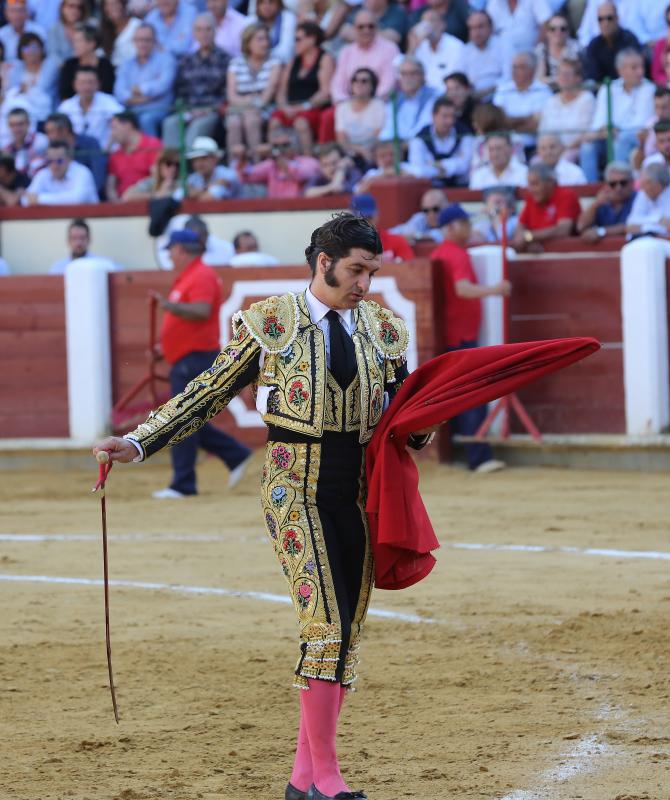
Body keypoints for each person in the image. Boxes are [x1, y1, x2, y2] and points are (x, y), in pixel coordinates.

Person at [94, 213, 440, 800]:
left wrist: (422, 426)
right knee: (325, 623)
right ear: (323, 261)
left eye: (372, 272)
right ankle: (328, 781)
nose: (365, 284)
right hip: (294, 489)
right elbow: (209, 390)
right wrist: (137, 441)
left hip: (357, 491)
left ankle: (302, 779)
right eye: (356, 270)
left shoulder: (383, 328)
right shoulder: (269, 322)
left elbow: (405, 414)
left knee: (346, 632)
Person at [124, 228, 253, 498]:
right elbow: (187, 320)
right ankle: (234, 454)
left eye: (171, 250)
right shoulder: (190, 276)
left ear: (181, 250)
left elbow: (201, 311)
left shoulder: (201, 275)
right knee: (187, 417)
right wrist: (165, 347)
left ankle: (183, 483)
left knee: (180, 418)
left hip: (194, 358)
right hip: (186, 356)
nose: (170, 255)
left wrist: (167, 307)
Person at [430, 203, 509, 472]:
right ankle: (479, 457)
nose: (469, 228)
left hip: (453, 334)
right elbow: (463, 289)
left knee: (461, 394)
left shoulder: (443, 252)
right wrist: (496, 289)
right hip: (462, 336)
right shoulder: (456, 255)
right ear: (451, 227)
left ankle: (468, 452)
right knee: (473, 393)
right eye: (464, 223)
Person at [581, 48, 656, 182]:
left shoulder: (649, 89)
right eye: (634, 68)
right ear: (621, 70)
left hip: (633, 138)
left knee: (621, 140)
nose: (640, 72)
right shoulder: (608, 88)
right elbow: (598, 122)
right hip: (608, 135)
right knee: (587, 147)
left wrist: (616, 130)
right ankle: (590, 188)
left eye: (641, 67)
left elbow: (641, 124)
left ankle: (617, 183)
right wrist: (605, 130)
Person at [161, 13, 231, 151]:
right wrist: (187, 110)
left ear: (215, 31)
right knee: (170, 124)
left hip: (212, 112)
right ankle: (172, 167)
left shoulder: (225, 60)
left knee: (196, 128)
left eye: (208, 29)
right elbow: (179, 91)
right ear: (194, 33)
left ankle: (188, 169)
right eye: (199, 29)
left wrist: (208, 110)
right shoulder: (186, 61)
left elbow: (227, 94)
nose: (203, 33)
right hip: (188, 110)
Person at [270, 21, 335, 155]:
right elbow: (282, 90)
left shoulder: (325, 58)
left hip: (313, 108)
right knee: (274, 121)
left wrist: (303, 106)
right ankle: (276, 162)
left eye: (298, 39)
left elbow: (325, 91)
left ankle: (308, 160)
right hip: (291, 108)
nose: (295, 43)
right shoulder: (294, 61)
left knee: (301, 123)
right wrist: (284, 107)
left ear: (312, 39)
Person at [225, 23, 283, 156]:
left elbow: (266, 97)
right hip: (239, 109)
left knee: (251, 119)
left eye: (266, 39)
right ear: (248, 42)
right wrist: (251, 101)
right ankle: (235, 166)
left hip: (266, 109)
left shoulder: (275, 62)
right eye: (260, 39)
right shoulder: (236, 63)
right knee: (234, 123)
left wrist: (248, 101)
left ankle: (256, 166)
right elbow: (231, 96)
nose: (265, 43)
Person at [113, 22, 176, 137]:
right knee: (116, 120)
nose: (143, 44)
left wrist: (139, 89)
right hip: (132, 109)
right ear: (134, 41)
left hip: (158, 109)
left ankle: (153, 154)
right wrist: (143, 98)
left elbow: (163, 85)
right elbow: (119, 92)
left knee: (145, 119)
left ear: (154, 41)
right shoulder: (127, 64)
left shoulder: (166, 59)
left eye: (147, 40)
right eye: (139, 40)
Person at [329, 9, 399, 104]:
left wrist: (369, 104)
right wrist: (345, 103)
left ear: (377, 27)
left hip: (380, 104)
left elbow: (389, 84)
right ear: (354, 28)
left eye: (370, 26)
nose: (366, 30)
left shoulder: (390, 49)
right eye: (361, 27)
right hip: (349, 104)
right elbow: (338, 84)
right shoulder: (346, 51)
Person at [492, 51, 552, 157]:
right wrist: (527, 119)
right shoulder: (503, 89)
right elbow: (497, 121)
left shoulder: (543, 91)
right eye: (514, 67)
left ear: (532, 70)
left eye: (521, 67)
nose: (515, 71)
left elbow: (537, 125)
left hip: (534, 148)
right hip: (505, 148)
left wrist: (510, 122)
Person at [512, 163, 581, 253]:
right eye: (529, 185)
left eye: (535, 184)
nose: (531, 189)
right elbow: (520, 228)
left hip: (566, 256)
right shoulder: (532, 198)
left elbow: (563, 230)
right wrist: (529, 242)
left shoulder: (566, 195)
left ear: (550, 182)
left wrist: (530, 237)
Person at [406, 96, 473, 187]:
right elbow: (418, 170)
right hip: (430, 188)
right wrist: (451, 165)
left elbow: (464, 166)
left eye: (452, 116)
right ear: (433, 116)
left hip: (461, 186)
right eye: (445, 116)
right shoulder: (420, 137)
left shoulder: (464, 133)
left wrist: (434, 164)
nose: (450, 121)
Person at [537, 58, 595, 161]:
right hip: (550, 150)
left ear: (578, 78)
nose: (563, 78)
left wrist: (565, 148)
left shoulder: (587, 99)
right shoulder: (550, 101)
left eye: (567, 74)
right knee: (536, 163)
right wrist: (549, 149)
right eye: (560, 74)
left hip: (575, 148)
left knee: (565, 159)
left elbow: (585, 132)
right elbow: (542, 132)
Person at [238, 131, 320, 198]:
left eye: (285, 145)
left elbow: (304, 174)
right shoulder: (270, 164)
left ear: (295, 146)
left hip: (301, 209)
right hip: (275, 211)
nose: (281, 149)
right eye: (276, 146)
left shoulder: (308, 161)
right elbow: (246, 175)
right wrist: (247, 155)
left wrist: (277, 157)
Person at [58, 66, 124, 150]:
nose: (87, 87)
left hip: (101, 153)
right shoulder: (66, 107)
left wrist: (108, 148)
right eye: (82, 82)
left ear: (98, 84)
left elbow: (123, 123)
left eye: (90, 82)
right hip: (74, 155)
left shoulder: (108, 102)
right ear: (75, 85)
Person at [43, 111, 107, 198]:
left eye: (50, 132)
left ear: (64, 130)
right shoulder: (51, 150)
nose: (48, 137)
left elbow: (98, 178)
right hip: (60, 199)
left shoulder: (90, 144)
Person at [377, 56, 438, 143]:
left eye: (413, 73)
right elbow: (388, 128)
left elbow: (424, 128)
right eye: (404, 74)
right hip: (395, 149)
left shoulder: (434, 97)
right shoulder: (395, 99)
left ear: (423, 75)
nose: (408, 78)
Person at [21, 139, 98, 205]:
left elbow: (78, 198)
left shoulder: (82, 172)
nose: (54, 165)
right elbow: (25, 200)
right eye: (50, 161)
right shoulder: (43, 174)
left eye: (59, 161)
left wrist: (40, 199)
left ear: (70, 158)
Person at [335, 67, 385, 166]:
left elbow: (378, 136)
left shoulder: (379, 106)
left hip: (372, 150)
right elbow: (341, 139)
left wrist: (364, 150)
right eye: (355, 80)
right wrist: (359, 150)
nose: (359, 84)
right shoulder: (342, 107)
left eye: (364, 81)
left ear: (372, 86)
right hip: (349, 150)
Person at [106, 110, 161, 200]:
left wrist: (135, 196)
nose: (112, 134)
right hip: (122, 206)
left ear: (127, 125)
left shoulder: (152, 145)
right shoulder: (116, 154)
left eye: (114, 128)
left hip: (147, 202)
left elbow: (157, 178)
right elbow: (110, 187)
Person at [577, 160, 636, 241]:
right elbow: (581, 227)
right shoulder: (602, 202)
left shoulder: (638, 199)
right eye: (613, 184)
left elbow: (633, 226)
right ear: (606, 185)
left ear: (631, 183)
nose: (618, 188)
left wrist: (601, 231)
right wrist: (595, 205)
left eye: (623, 183)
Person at [583, 2, 641, 84]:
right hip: (603, 91)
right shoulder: (594, 45)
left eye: (609, 18)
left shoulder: (629, 40)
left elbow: (635, 71)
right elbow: (593, 76)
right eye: (601, 19)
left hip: (629, 88)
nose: (605, 23)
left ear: (617, 18)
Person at [409, 8, 463, 92]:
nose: (427, 25)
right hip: (423, 96)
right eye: (424, 22)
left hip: (446, 96)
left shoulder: (456, 46)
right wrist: (413, 46)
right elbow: (404, 71)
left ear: (443, 25)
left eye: (432, 21)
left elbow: (456, 79)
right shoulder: (420, 46)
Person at [350, 192, 414, 262]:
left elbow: (410, 266)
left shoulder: (396, 241)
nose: (366, 222)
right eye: (360, 218)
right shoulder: (345, 246)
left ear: (377, 216)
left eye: (369, 217)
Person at [58, 23, 116, 100]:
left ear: (92, 43)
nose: (74, 45)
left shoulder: (105, 65)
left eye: (78, 41)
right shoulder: (69, 65)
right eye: (74, 41)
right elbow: (64, 94)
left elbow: (108, 92)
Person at [459, 11, 505, 102]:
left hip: (497, 96)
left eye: (480, 27)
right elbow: (459, 77)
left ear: (491, 28)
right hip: (471, 98)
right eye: (472, 28)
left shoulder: (503, 46)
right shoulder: (465, 50)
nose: (476, 32)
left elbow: (509, 78)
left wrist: (488, 90)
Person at [48, 217, 120, 274]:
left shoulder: (101, 264)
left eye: (82, 238)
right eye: (74, 238)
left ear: (89, 240)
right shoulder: (57, 268)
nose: (78, 243)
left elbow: (120, 272)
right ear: (68, 241)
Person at [534, 12, 581, 89]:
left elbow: (574, 77)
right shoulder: (541, 49)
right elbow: (539, 80)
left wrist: (551, 80)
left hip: (571, 90)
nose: (558, 32)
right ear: (547, 32)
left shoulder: (575, 48)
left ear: (568, 32)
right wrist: (559, 80)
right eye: (553, 29)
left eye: (563, 29)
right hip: (547, 92)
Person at [186, 135, 239, 200]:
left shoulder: (228, 174)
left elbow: (207, 198)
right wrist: (206, 188)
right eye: (195, 160)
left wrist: (195, 193)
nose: (199, 163)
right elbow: (182, 194)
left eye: (204, 158)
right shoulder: (193, 178)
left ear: (215, 158)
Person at [3, 106, 47, 178]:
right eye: (13, 125)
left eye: (20, 124)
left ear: (28, 123)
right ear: (8, 126)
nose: (17, 129)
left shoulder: (41, 140)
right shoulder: (6, 147)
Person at [100, 0, 140, 68]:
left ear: (122, 4)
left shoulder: (137, 25)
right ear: (104, 8)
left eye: (116, 3)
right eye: (108, 4)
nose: (113, 7)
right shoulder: (103, 29)